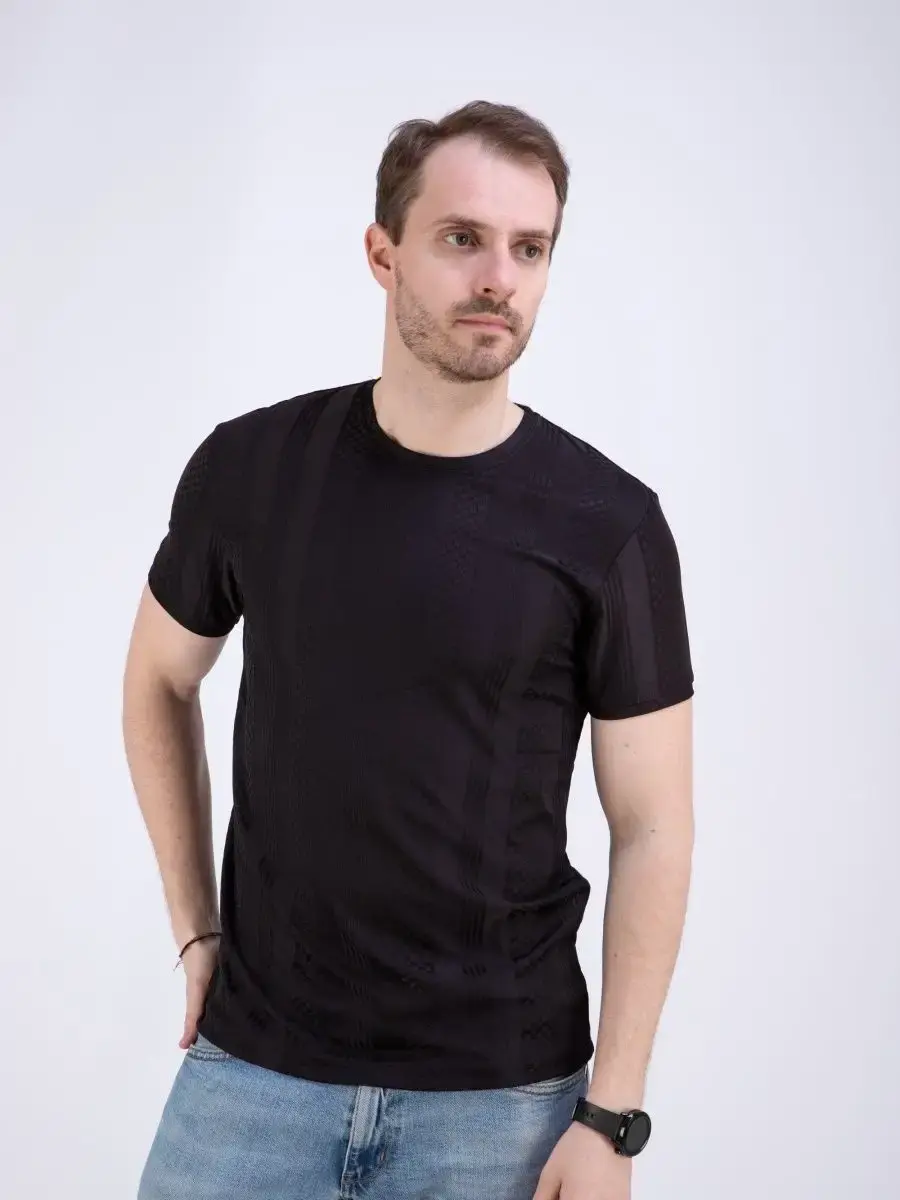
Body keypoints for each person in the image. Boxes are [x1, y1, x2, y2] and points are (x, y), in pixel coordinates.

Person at [123, 99, 695, 1200]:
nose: (499, 278)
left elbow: (654, 825)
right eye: (463, 238)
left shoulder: (610, 525)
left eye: (530, 249)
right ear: (383, 254)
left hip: (502, 1106)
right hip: (253, 1079)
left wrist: (612, 1118)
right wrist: (196, 934)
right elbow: (157, 677)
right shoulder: (252, 471)